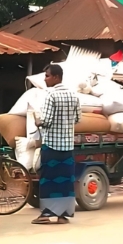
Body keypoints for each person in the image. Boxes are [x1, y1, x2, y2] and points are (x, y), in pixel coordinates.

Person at [33, 64, 80, 224]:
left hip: (52, 146)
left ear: (56, 77)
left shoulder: (50, 95)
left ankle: (46, 214)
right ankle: (63, 215)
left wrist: (38, 121)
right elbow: (77, 119)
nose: (45, 79)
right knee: (66, 181)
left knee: (48, 180)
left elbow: (46, 120)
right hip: (67, 147)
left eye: (47, 76)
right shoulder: (74, 95)